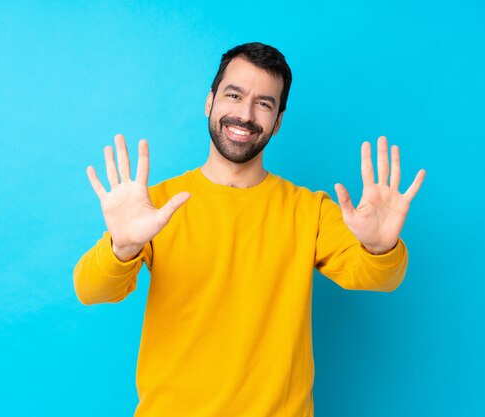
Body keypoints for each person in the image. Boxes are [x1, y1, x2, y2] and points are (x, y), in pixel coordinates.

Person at [74, 42, 425, 417]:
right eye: (234, 95)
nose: (244, 114)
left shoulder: (309, 211)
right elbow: (90, 289)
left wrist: (379, 247)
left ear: (278, 123)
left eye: (264, 103)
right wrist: (122, 246)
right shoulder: (156, 206)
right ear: (209, 102)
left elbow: (379, 279)